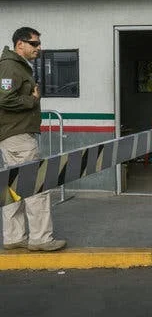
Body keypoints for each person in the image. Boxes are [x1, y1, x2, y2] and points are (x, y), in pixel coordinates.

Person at [0, 27, 66, 252]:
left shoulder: (15, 66)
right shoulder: (10, 67)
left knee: (13, 186)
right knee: (36, 185)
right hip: (18, 136)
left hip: (13, 135)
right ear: (20, 44)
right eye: (34, 44)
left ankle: (14, 236)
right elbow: (4, 99)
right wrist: (32, 100)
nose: (39, 48)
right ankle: (40, 238)